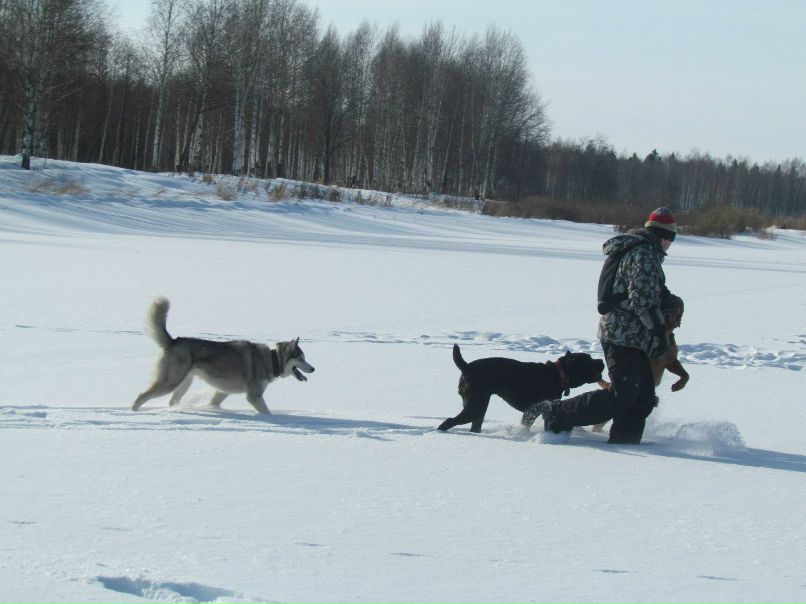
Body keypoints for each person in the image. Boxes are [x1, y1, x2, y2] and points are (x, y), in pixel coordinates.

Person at [523, 207, 679, 444]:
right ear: (665, 237)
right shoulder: (645, 254)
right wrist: (658, 332)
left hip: (632, 336)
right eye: (672, 239)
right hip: (622, 335)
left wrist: (670, 301)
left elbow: (650, 290)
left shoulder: (640, 250)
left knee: (643, 398)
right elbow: (642, 300)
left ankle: (625, 442)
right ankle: (557, 413)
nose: (670, 244)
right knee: (623, 395)